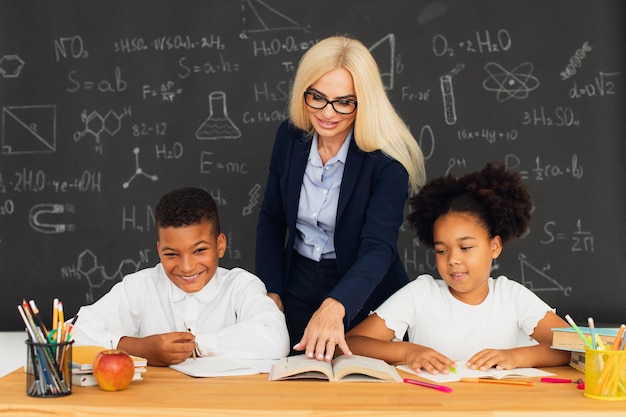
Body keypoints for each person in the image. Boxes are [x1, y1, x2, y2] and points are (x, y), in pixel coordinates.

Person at [255, 35, 426, 362]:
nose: (327, 113)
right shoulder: (290, 137)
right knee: (295, 381)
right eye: (317, 97)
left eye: (344, 102)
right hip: (298, 280)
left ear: (365, 101)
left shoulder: (387, 162)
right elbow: (272, 218)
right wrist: (272, 291)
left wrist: (338, 304)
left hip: (363, 287)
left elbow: (378, 249)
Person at [345, 162, 571, 374]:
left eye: (465, 247)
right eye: (441, 250)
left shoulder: (512, 296)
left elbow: (570, 346)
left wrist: (515, 357)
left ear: (494, 246)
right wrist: (406, 351)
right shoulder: (420, 294)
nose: (452, 259)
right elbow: (351, 343)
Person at [73, 187, 290, 366]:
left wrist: (195, 346)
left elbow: (275, 339)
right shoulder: (140, 287)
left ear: (220, 245)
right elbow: (73, 332)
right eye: (171, 254)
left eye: (199, 251)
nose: (186, 267)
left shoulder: (241, 286)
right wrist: (141, 349)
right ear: (159, 251)